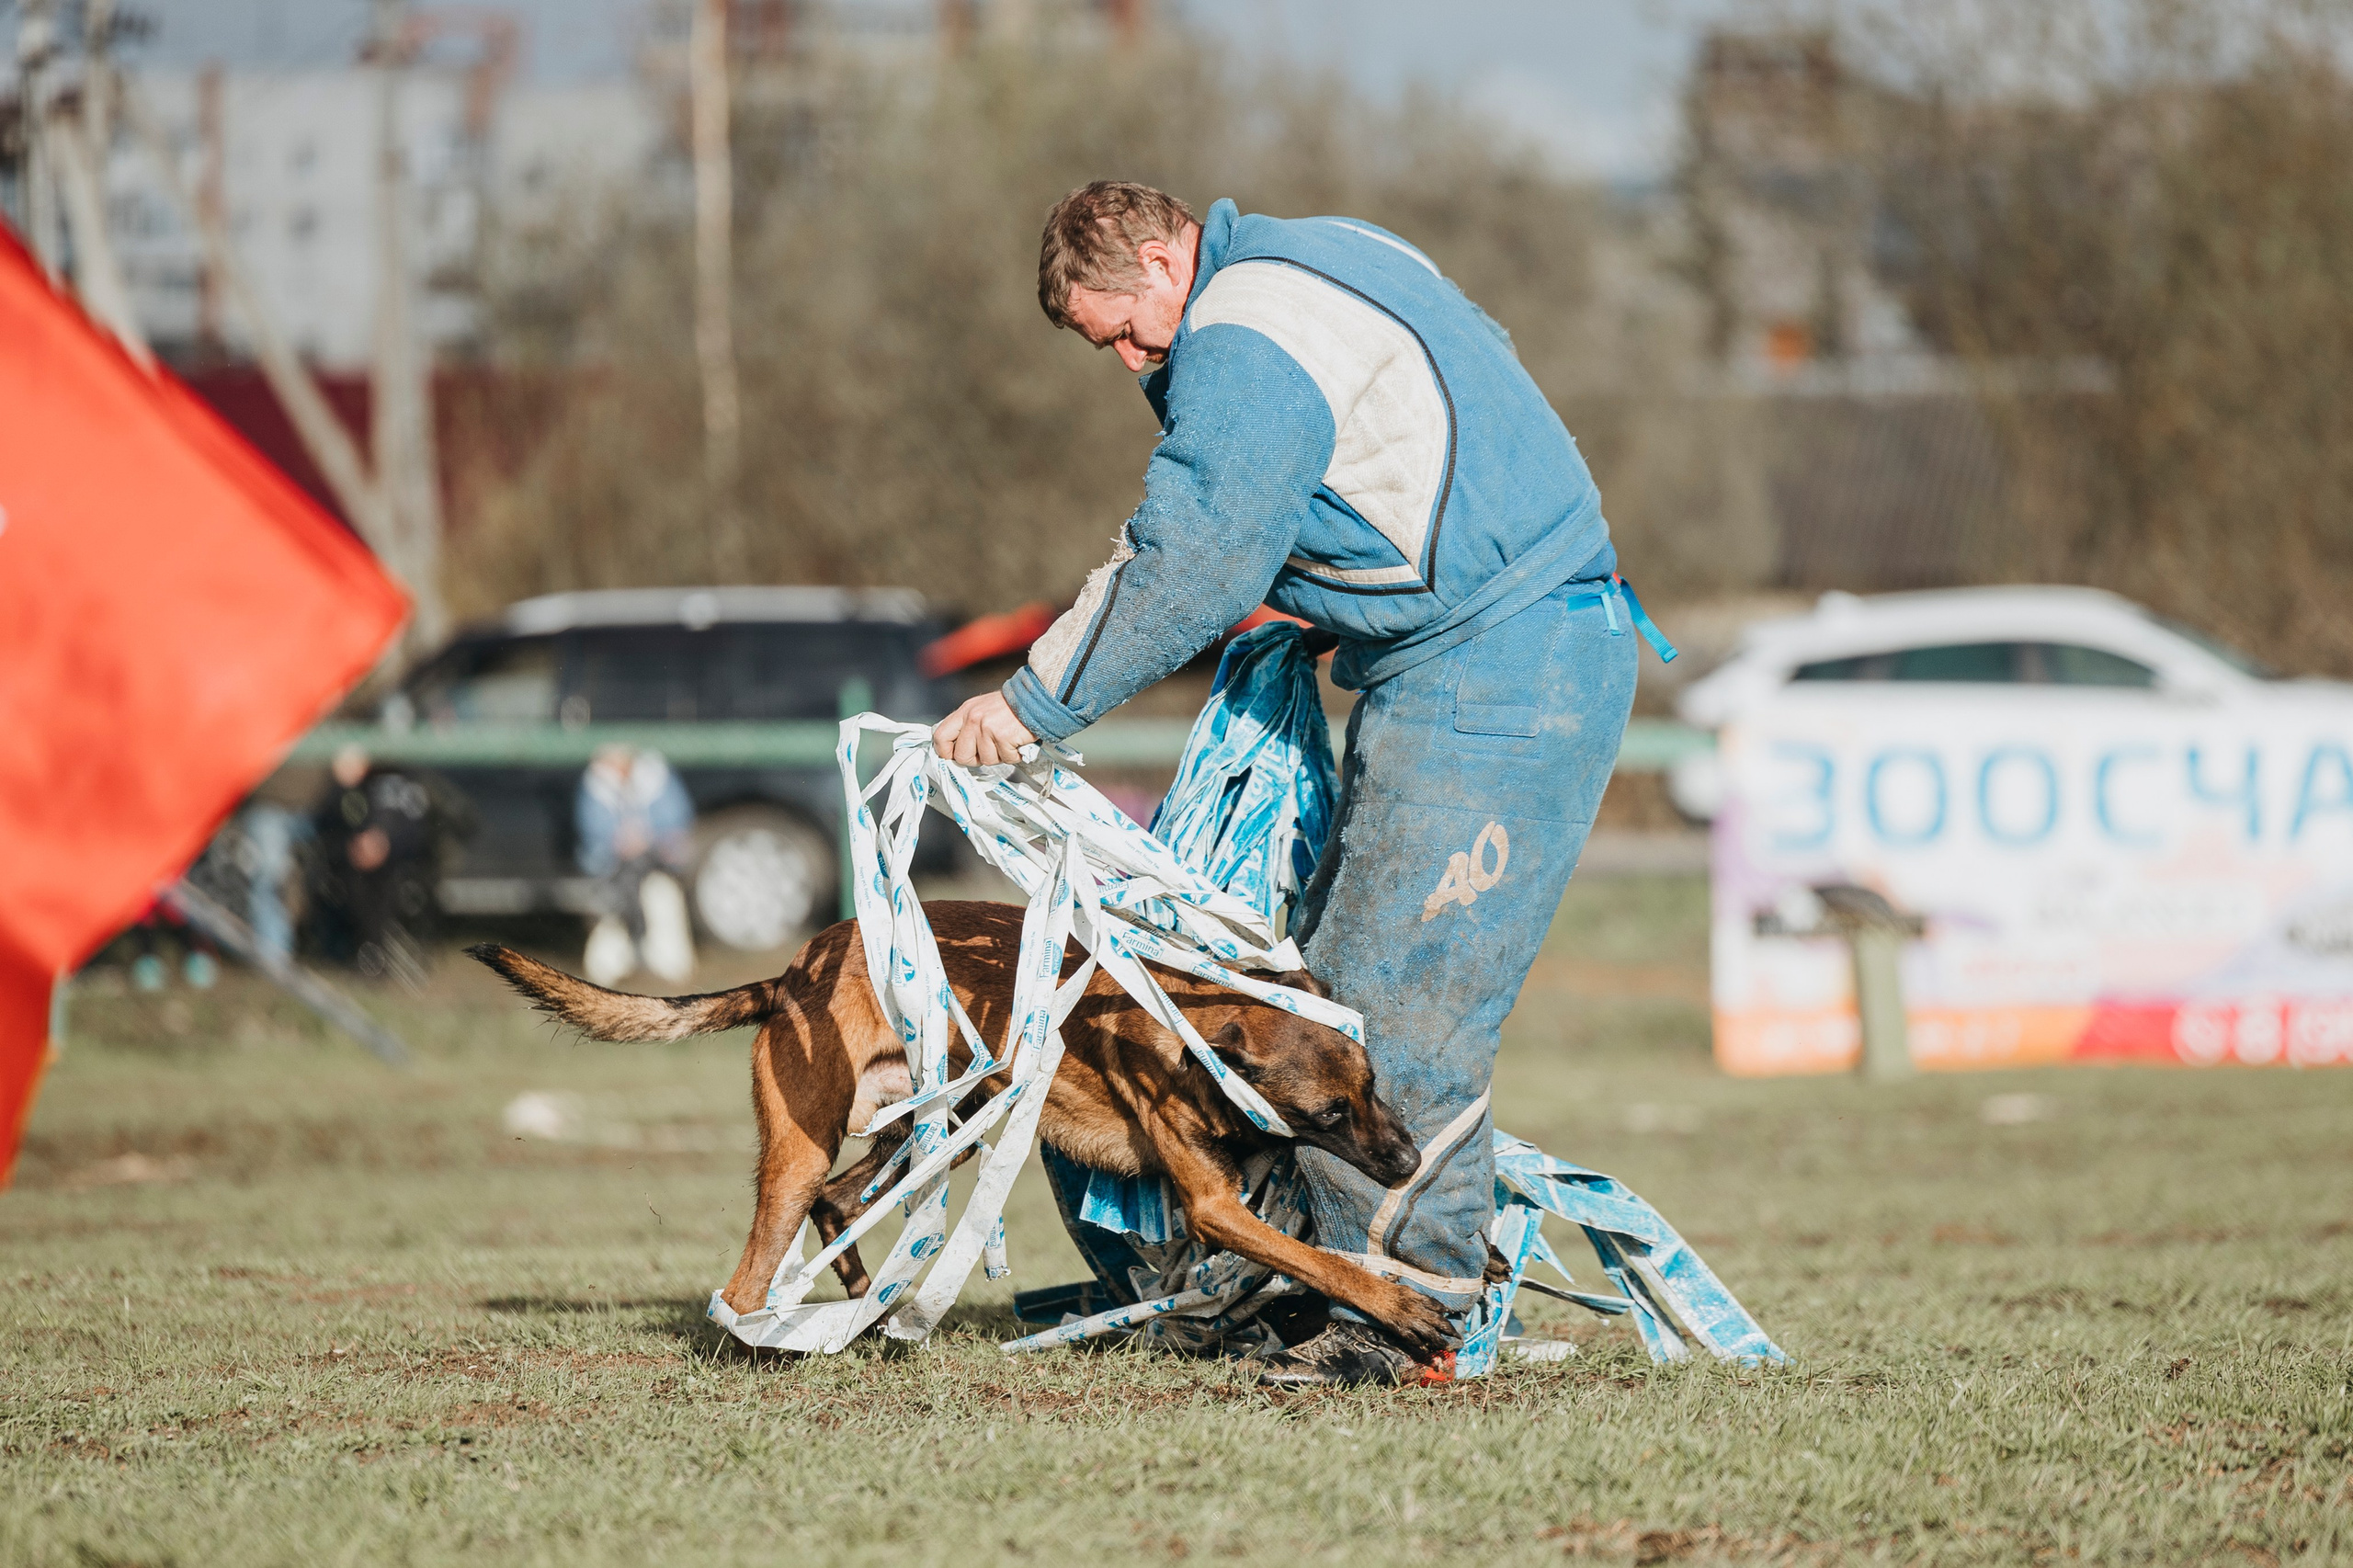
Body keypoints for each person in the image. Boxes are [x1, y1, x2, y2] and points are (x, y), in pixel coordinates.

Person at [932, 183, 1664, 1386]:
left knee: (1369, 1017)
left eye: (1124, 329)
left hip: (1500, 662)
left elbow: (1196, 551)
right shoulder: (1327, 255)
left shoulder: (1247, 327)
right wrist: (1351, 591)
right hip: (1497, 643)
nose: (1128, 363)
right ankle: (1352, 1285)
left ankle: (1407, 1326)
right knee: (1326, 989)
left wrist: (1028, 704)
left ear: (1169, 258)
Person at [574, 745, 698, 986]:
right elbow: (591, 832)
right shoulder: (594, 784)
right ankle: (612, 965)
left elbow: (678, 821)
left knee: (660, 893)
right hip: (611, 865)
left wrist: (649, 838)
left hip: (656, 860)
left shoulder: (658, 777)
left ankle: (667, 963)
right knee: (613, 898)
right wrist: (619, 841)